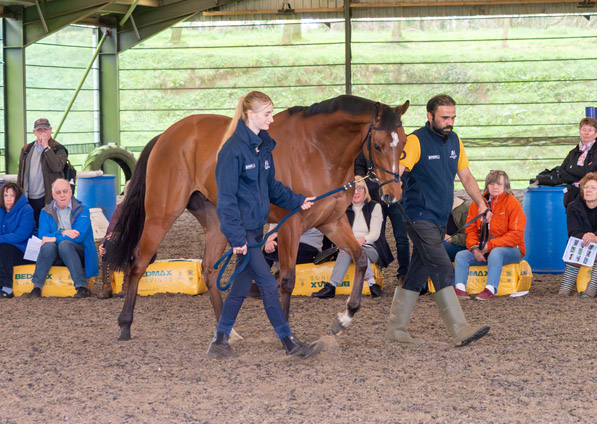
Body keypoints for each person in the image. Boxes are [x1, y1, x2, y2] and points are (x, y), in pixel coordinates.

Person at [207, 91, 323, 360]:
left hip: (256, 228)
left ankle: (219, 341)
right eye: (267, 114)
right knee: (269, 286)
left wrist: (298, 201)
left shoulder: (263, 147)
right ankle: (290, 343)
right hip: (244, 232)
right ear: (251, 115)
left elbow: (271, 187)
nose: (272, 119)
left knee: (239, 287)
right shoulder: (232, 151)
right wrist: (236, 238)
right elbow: (225, 201)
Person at [385, 94, 491, 347]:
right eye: (444, 117)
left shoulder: (455, 140)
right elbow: (397, 172)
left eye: (453, 117)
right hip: (418, 216)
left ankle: (396, 329)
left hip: (439, 218)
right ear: (430, 116)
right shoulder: (415, 141)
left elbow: (465, 176)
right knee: (443, 266)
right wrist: (390, 183)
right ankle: (460, 329)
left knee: (417, 272)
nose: (449, 122)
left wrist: (482, 202)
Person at [311, 180, 393, 299]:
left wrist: (360, 241)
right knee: (349, 249)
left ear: (365, 190)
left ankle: (331, 287)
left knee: (354, 249)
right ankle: (372, 285)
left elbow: (375, 234)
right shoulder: (343, 209)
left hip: (371, 247)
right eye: (353, 189)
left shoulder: (375, 206)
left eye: (359, 188)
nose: (356, 192)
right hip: (348, 247)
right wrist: (348, 244)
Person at [453, 170, 526, 300]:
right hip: (484, 249)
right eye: (492, 184)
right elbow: (470, 230)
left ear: (506, 186)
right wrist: (475, 248)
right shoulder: (478, 203)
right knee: (461, 255)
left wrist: (490, 246)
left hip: (511, 250)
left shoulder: (513, 204)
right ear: (487, 186)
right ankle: (460, 289)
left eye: (499, 184)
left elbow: (516, 235)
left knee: (496, 253)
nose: (495, 187)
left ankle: (490, 289)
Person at [24, 179, 98, 299]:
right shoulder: (45, 211)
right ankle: (37, 287)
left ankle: (82, 286)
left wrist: (54, 237)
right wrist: (62, 232)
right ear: (53, 195)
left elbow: (79, 237)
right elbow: (43, 237)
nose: (62, 195)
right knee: (48, 246)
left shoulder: (83, 209)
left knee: (64, 244)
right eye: (58, 192)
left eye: (65, 191)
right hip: (55, 254)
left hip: (79, 253)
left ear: (71, 192)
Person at [355, 151, 410, 283]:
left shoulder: (398, 150)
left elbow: (407, 170)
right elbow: (358, 170)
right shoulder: (366, 151)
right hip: (375, 200)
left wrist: (400, 184)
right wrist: (370, 186)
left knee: (401, 237)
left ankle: (404, 272)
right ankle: (377, 270)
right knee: (377, 237)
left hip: (396, 200)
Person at [17, 118, 68, 225]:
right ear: (34, 133)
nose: (43, 133)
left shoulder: (58, 149)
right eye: (39, 130)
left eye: (45, 130)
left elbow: (57, 167)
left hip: (47, 197)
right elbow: (20, 173)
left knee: (46, 226)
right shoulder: (27, 149)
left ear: (50, 131)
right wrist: (19, 193)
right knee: (30, 226)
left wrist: (46, 147)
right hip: (28, 196)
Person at [559, 172, 597, 298]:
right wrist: (585, 237)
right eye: (586, 187)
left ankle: (592, 288)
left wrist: (594, 237)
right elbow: (573, 232)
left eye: (593, 188)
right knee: (573, 245)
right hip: (584, 241)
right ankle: (565, 288)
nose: (588, 190)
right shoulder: (573, 207)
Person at [0, 182, 35, 298]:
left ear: (17, 197)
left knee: (4, 249)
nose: (9, 199)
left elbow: (21, 235)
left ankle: (7, 288)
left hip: (24, 250)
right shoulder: (1, 210)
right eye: (6, 195)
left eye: (12, 195)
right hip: (6, 246)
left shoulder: (26, 210)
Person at [559, 117, 597, 207]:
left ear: (596, 134)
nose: (586, 133)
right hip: (573, 194)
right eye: (584, 130)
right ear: (580, 132)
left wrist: (573, 171)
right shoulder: (573, 152)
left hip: (593, 196)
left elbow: (588, 172)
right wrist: (578, 178)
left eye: (590, 130)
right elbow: (561, 171)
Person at [443, 195, 469, 262]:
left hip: (459, 245)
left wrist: (453, 238)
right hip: (439, 243)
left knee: (441, 247)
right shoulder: (431, 209)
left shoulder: (462, 208)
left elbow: (471, 236)